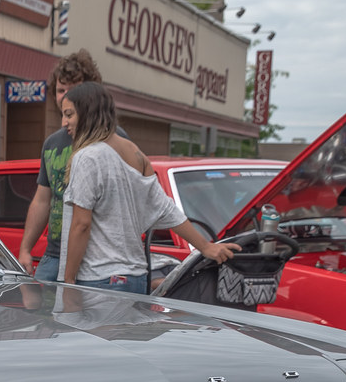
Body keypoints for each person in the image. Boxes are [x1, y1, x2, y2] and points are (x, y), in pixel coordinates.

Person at [58, 81, 238, 295]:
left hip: (98, 280)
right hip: (136, 278)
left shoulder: (87, 157)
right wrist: (206, 247)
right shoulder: (136, 153)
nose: (64, 122)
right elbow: (166, 209)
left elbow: (81, 224)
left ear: (87, 113)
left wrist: (68, 281)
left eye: (69, 114)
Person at [18, 49, 129, 281]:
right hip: (54, 256)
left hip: (99, 260)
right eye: (60, 90)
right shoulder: (52, 143)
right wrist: (26, 249)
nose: (65, 96)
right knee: (42, 317)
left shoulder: (115, 139)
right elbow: (42, 200)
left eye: (73, 89)